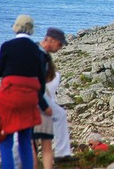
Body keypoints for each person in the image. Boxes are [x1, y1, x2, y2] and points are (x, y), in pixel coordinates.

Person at [0, 15, 48, 169]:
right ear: (32, 29)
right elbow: (41, 80)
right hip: (29, 98)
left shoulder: (7, 46)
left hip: (10, 96)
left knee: (5, 140)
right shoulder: (37, 50)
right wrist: (40, 103)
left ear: (15, 27)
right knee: (25, 140)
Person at [39, 28, 78, 163]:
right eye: (60, 44)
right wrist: (44, 104)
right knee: (59, 114)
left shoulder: (43, 55)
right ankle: (62, 153)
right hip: (34, 94)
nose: (60, 48)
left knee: (60, 114)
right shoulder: (40, 54)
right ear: (52, 40)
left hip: (38, 94)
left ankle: (62, 153)